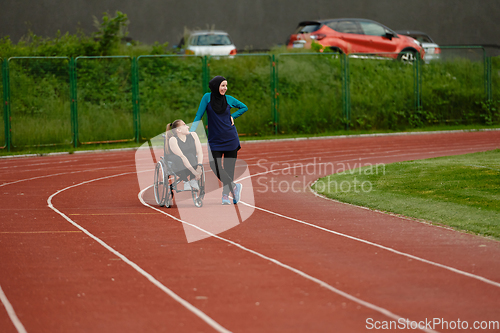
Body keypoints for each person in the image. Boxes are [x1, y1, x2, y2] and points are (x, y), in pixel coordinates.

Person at [190, 76, 248, 205]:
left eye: (226, 86)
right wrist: (191, 131)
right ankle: (234, 186)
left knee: (229, 169)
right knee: (214, 165)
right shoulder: (207, 98)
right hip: (215, 139)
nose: (225, 88)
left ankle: (225, 196)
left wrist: (232, 116)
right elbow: (199, 115)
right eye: (222, 85)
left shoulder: (228, 99)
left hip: (230, 138)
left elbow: (244, 107)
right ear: (216, 86)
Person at [166, 119, 203, 191]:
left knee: (191, 155)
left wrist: (199, 167)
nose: (188, 127)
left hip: (189, 162)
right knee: (178, 158)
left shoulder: (193, 135)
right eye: (184, 125)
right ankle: (185, 181)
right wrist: (195, 172)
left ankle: (192, 180)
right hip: (178, 165)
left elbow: (199, 152)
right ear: (178, 130)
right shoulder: (173, 140)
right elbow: (182, 157)